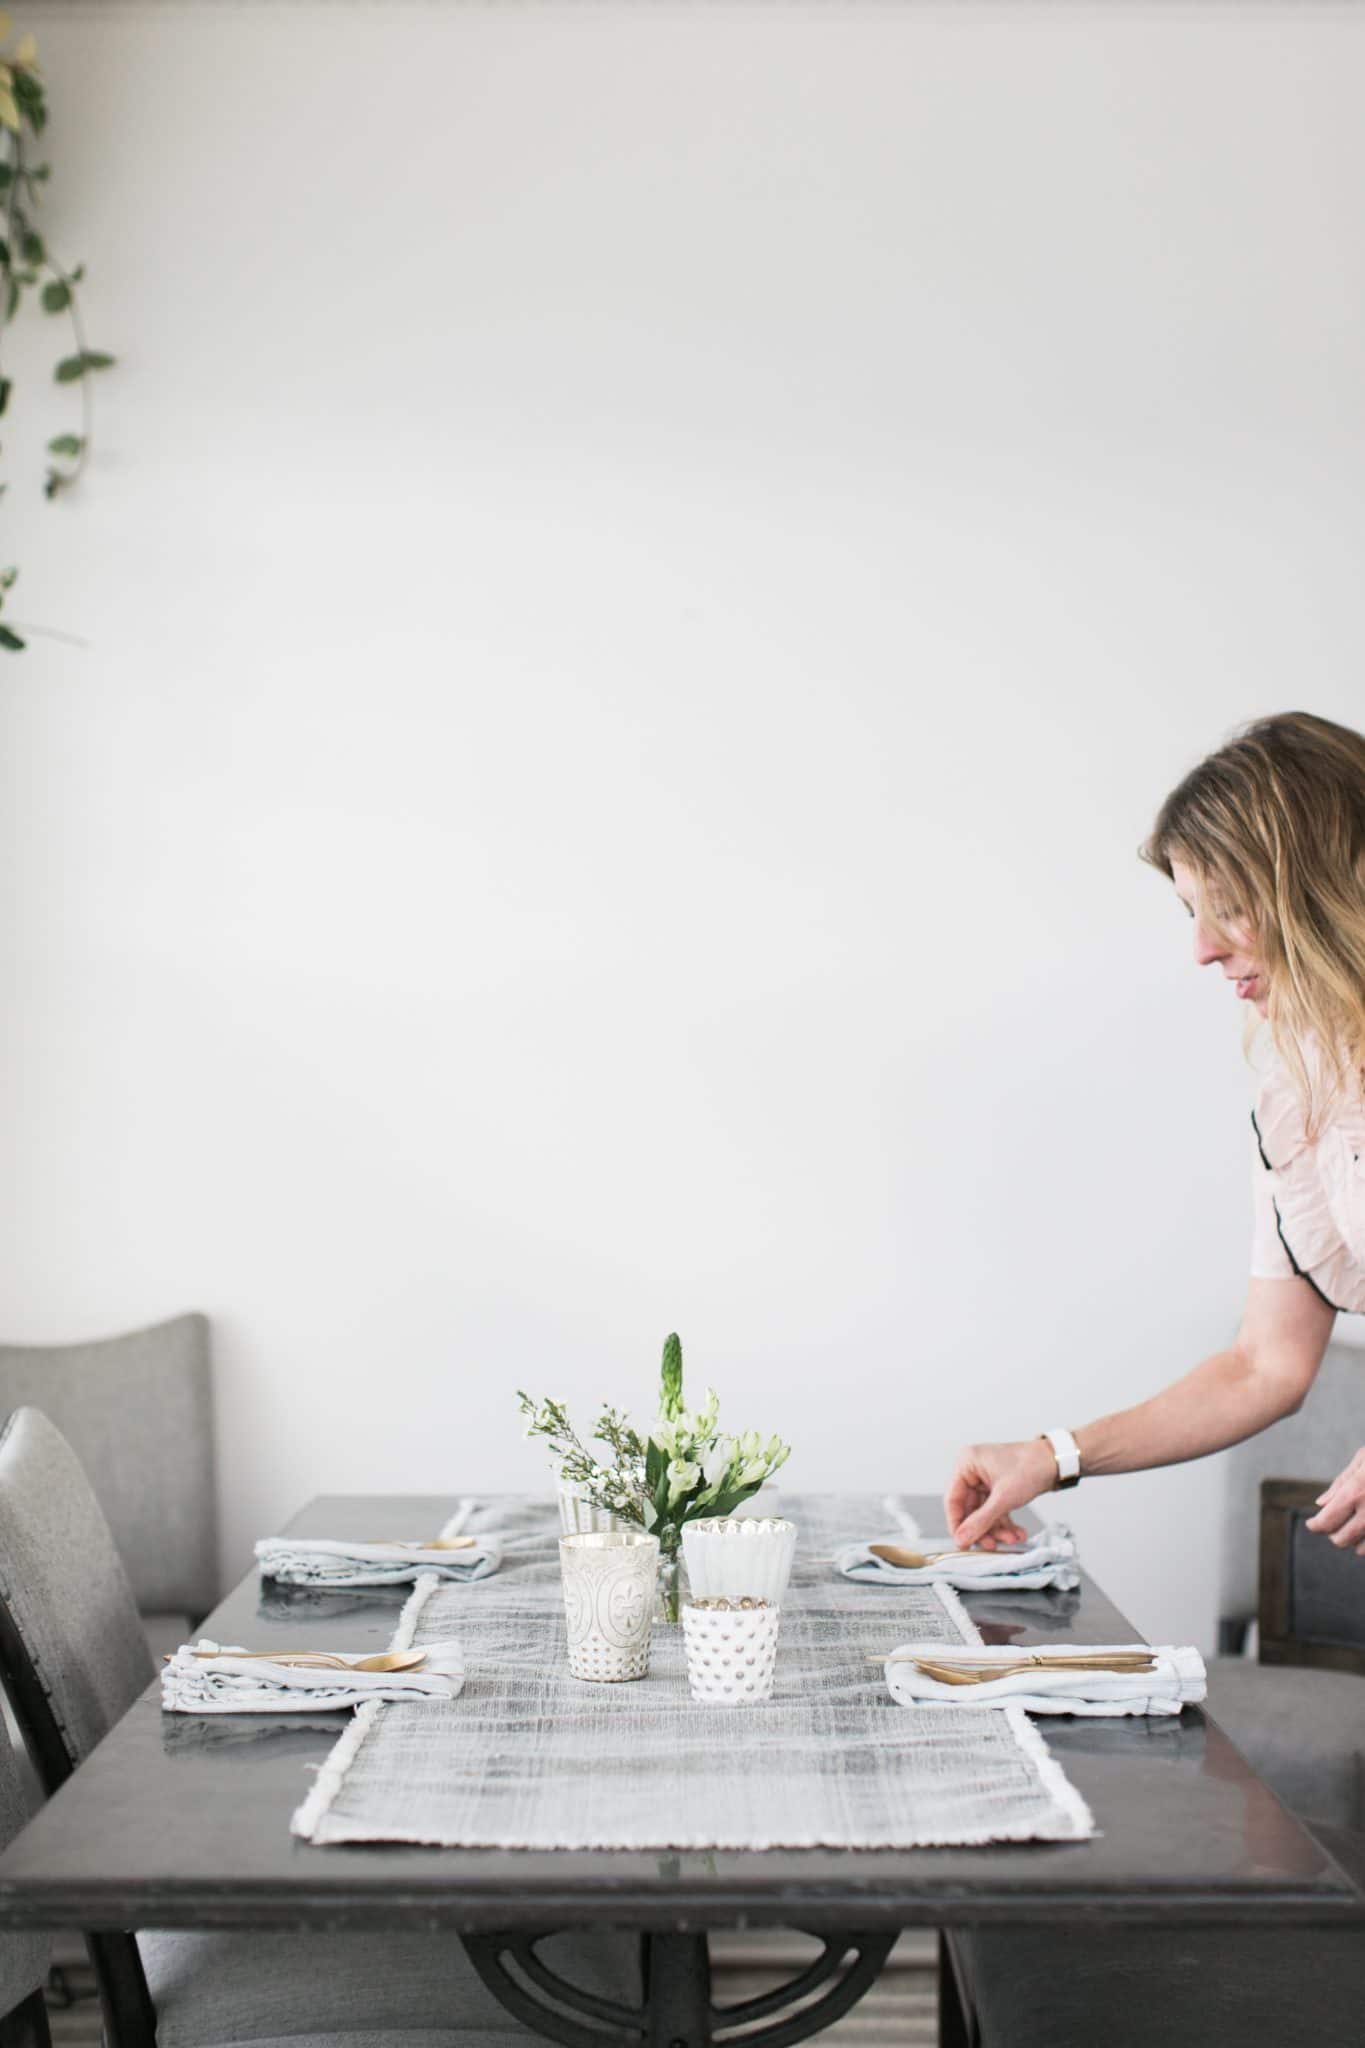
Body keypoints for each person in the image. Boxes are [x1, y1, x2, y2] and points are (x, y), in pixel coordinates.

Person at [943, 710, 1365, 1555]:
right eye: (1190, 913)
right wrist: (1052, 1455)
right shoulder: (1298, 1093)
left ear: (1328, 883)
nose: (1202, 950)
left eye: (1233, 907)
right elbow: (1263, 1365)